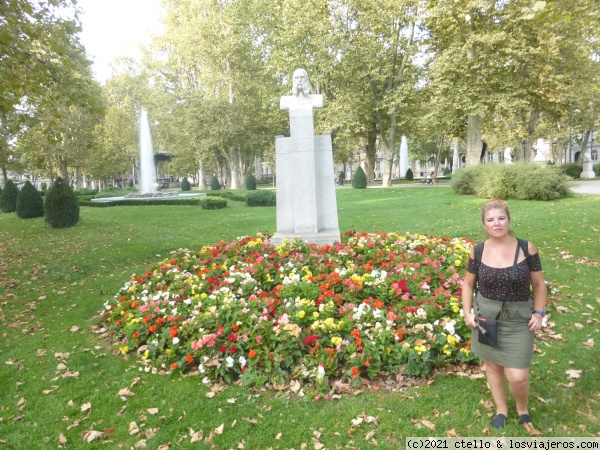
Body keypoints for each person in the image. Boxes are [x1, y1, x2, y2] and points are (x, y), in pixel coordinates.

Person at [461, 199, 547, 430]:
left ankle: (522, 408)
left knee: (518, 375)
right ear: (484, 224)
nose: (496, 223)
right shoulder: (478, 251)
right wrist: (467, 312)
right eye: (490, 220)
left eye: (501, 218)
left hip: (519, 318)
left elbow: (539, 285)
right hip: (487, 317)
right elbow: (468, 285)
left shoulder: (526, 247)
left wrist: (538, 313)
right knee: (494, 367)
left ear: (509, 220)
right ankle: (501, 408)